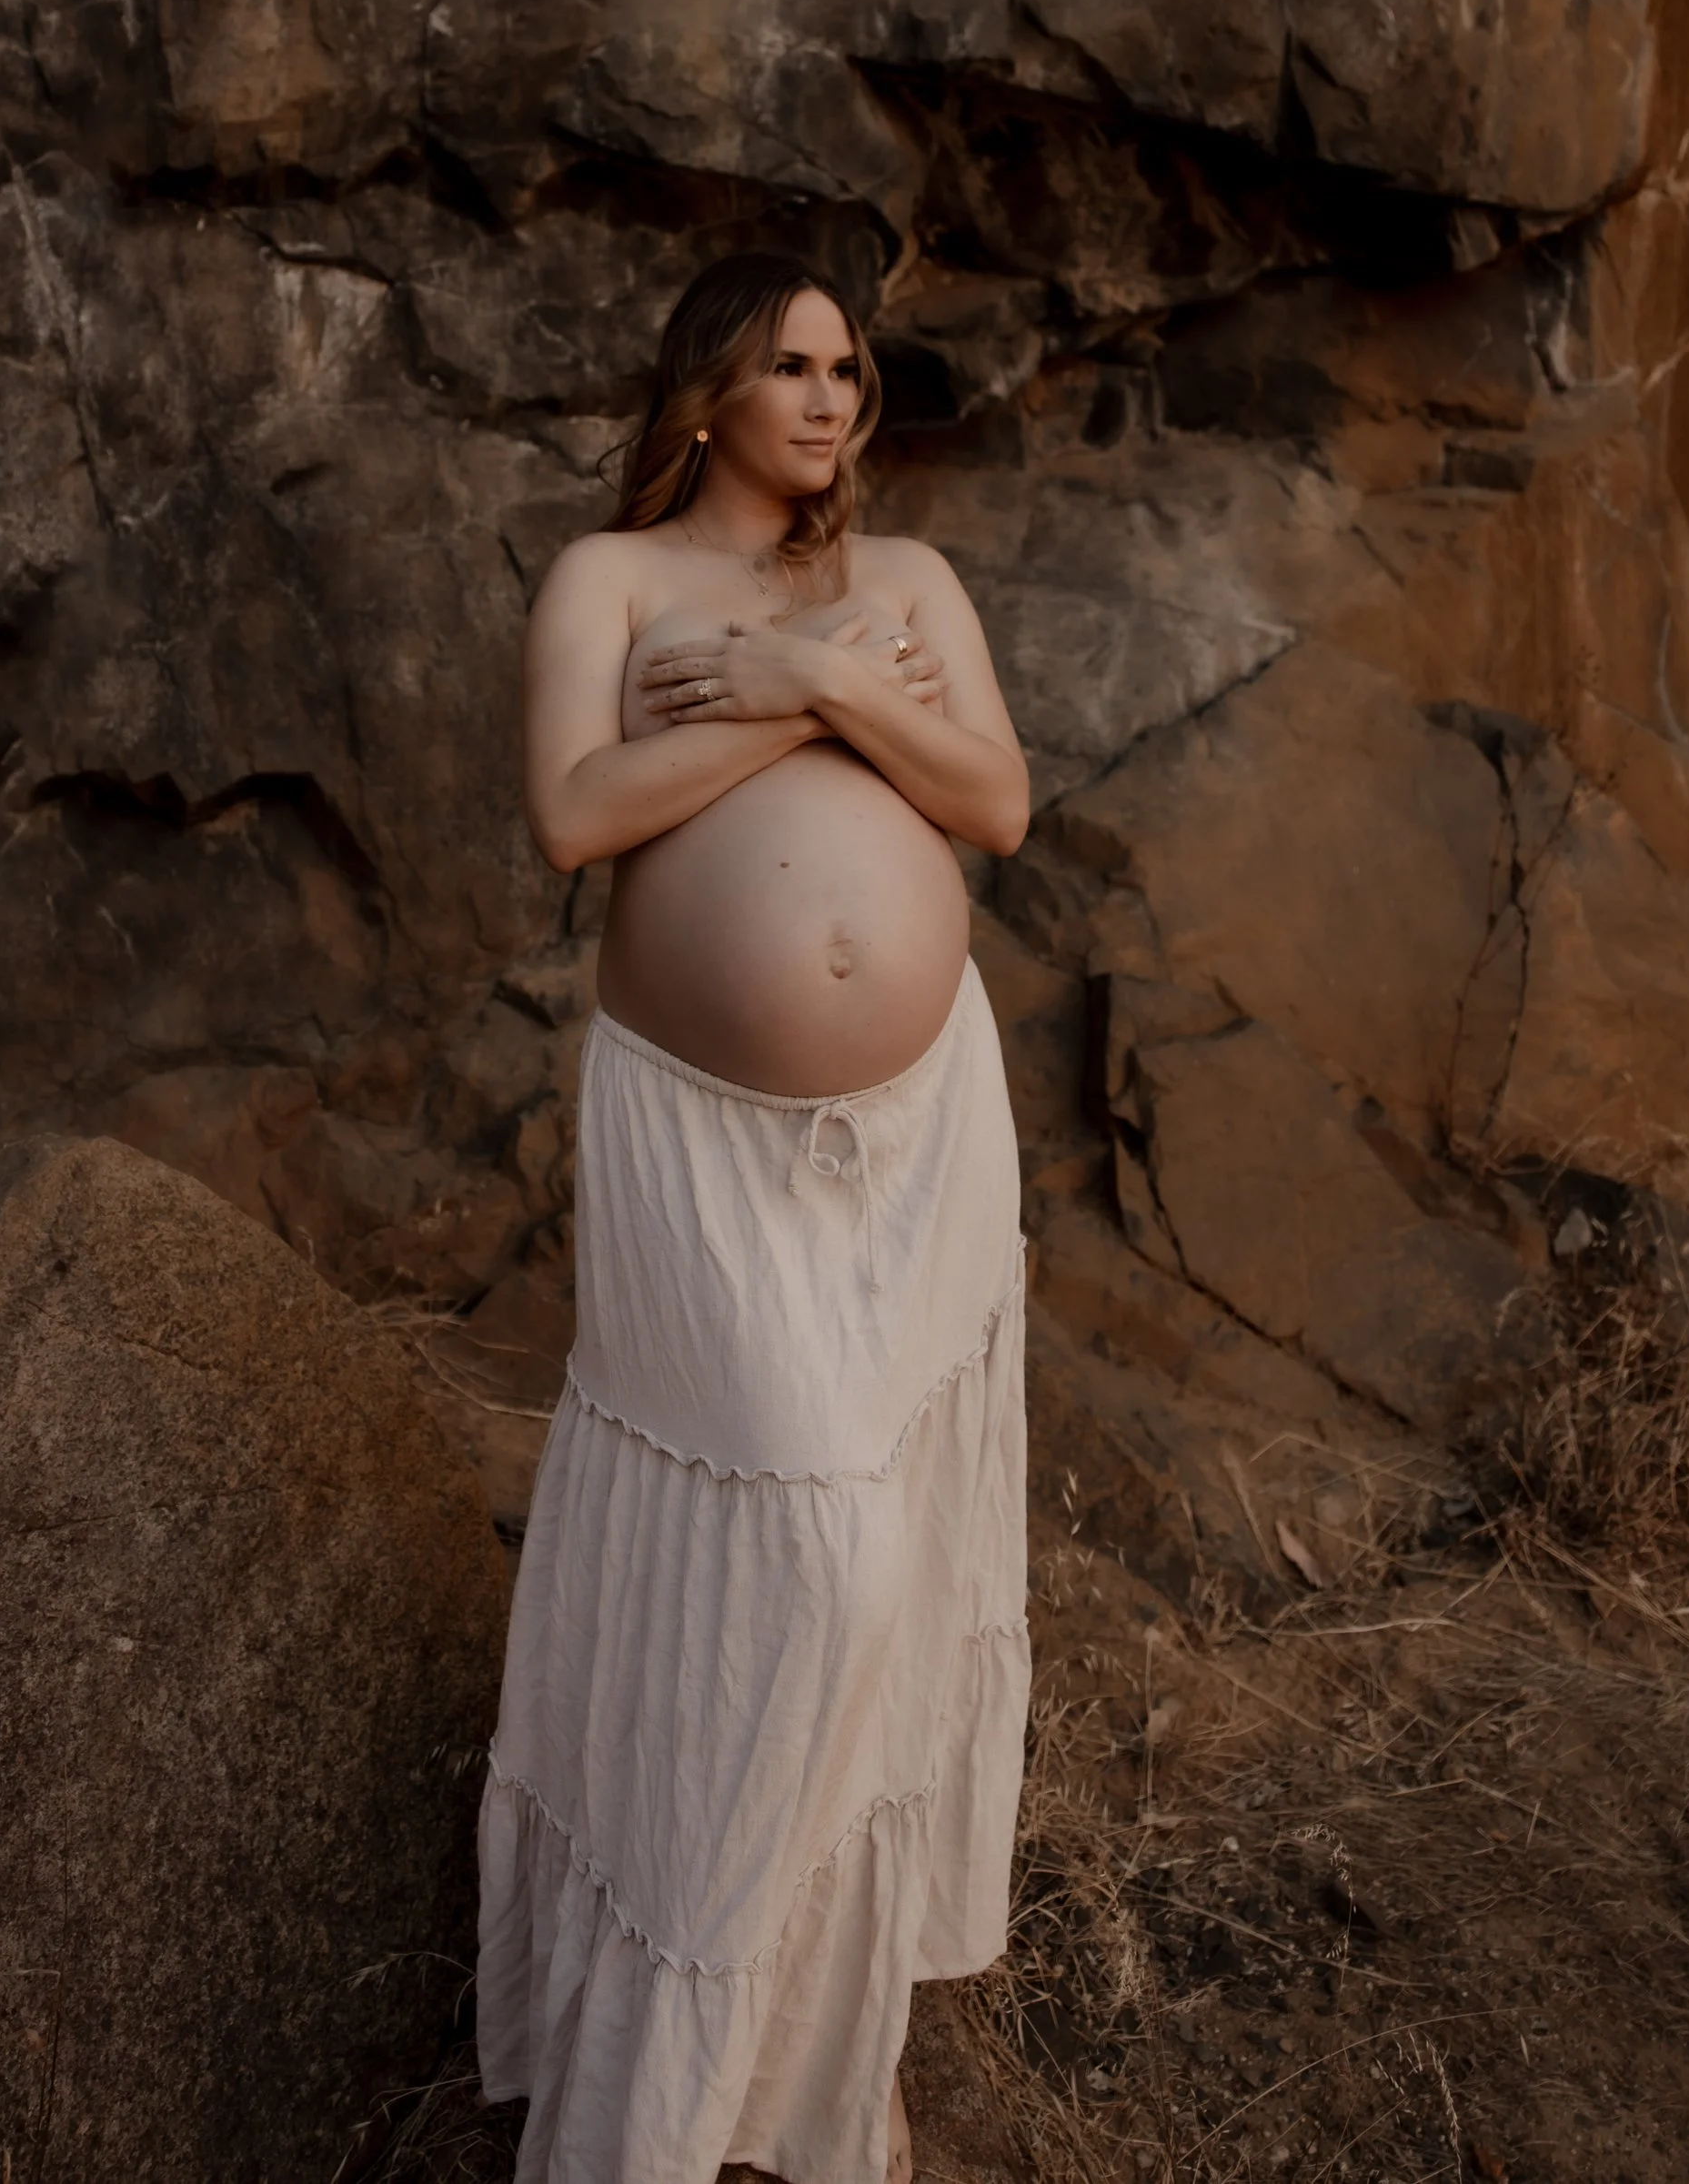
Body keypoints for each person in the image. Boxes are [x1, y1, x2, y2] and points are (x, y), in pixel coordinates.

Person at [476, 250, 1033, 2184]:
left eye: (849, 372)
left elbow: (995, 801)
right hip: (700, 1144)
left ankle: (813, 2070)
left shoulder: (908, 591)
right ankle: (653, 2087)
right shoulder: (607, 585)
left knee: (868, 1571)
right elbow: (572, 815)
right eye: (789, 367)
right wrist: (811, 711)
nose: (827, 401)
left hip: (915, 1137)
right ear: (705, 390)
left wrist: (803, 673)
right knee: (814, 1561)